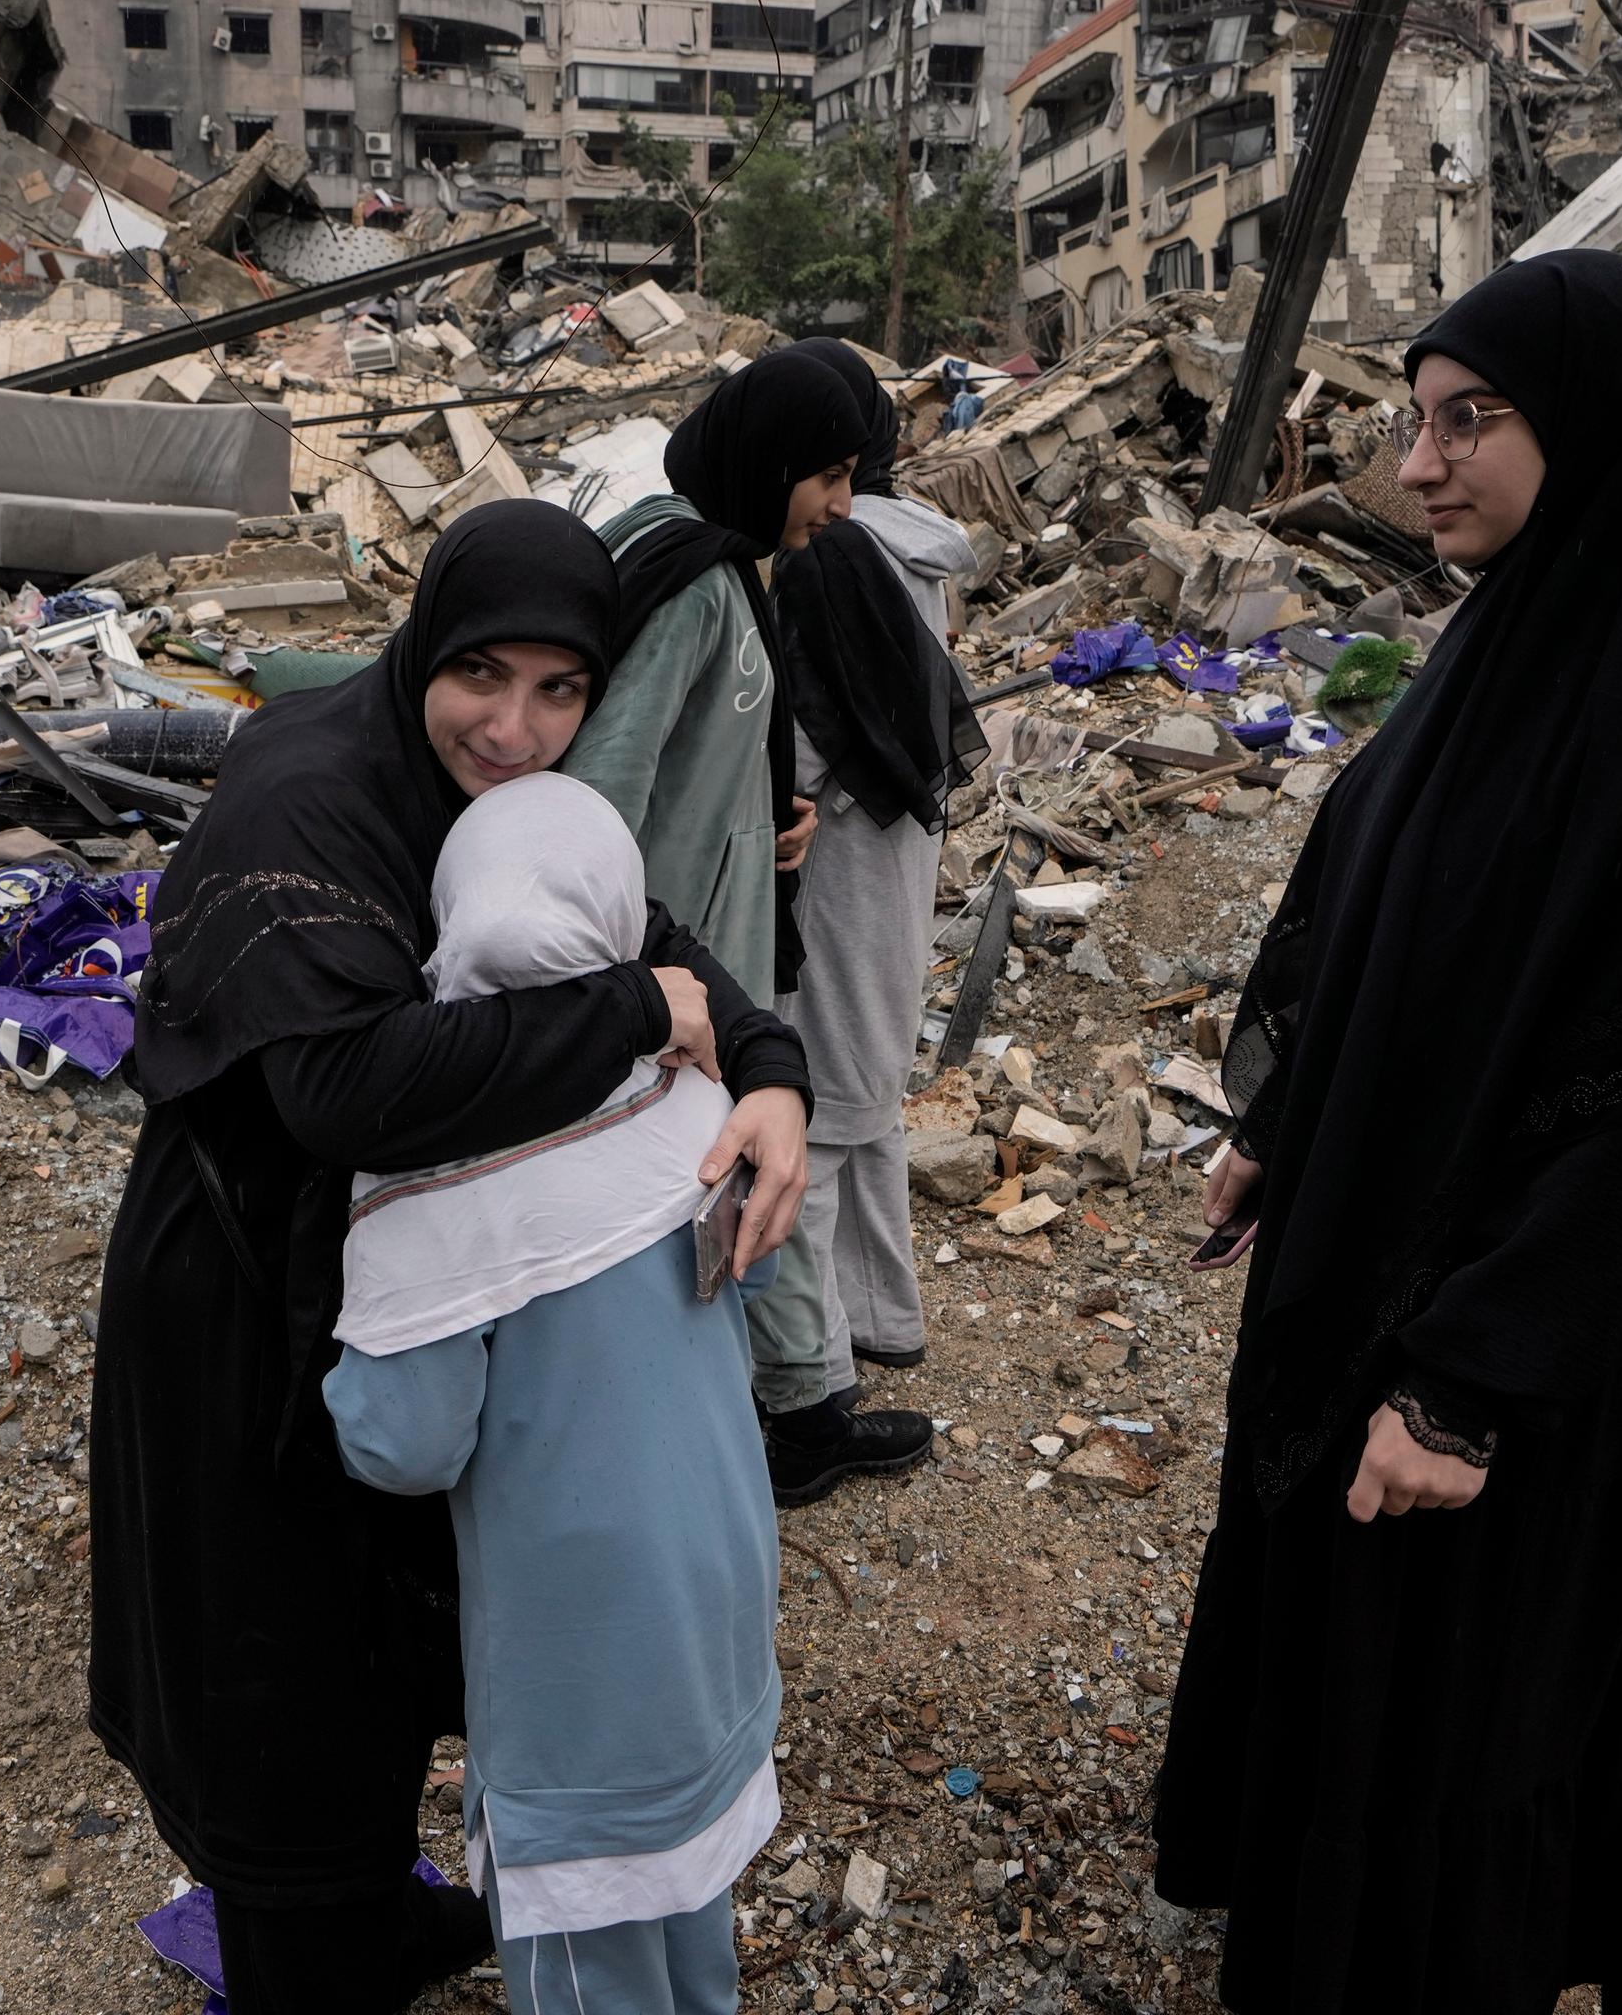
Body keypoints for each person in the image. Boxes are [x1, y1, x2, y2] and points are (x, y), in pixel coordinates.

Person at [1148, 250, 1622, 2014]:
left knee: (1470, 1674)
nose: (1417, 465)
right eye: (1416, 419)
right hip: (1401, 1231)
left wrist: (1469, 1381)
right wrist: (1293, 1124)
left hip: (1536, 1328)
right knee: (1368, 1643)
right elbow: (1399, 928)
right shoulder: (1512, 652)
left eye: (1474, 420)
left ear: (1605, 434)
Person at [90, 500, 812, 2015]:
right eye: (486, 676)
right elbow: (340, 1086)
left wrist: (769, 1071)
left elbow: (643, 928)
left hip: (406, 1261)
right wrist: (638, 1018)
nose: (518, 728)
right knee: (280, 1655)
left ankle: (371, 1918)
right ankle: (311, 1960)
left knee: (398, 1614)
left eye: (564, 688)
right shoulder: (306, 799)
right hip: (249, 1284)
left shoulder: (491, 796)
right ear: (427, 644)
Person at [325, 770, 796, 2015]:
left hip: (577, 1638)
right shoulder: (692, 1098)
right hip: (721, 1567)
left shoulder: (436, 1158)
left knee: (588, 1933)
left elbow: (407, 1443)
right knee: (689, 1889)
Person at [567, 339, 938, 1506]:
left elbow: (692, 762)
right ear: (767, 459)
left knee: (741, 1165)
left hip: (712, 941)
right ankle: (779, 1422)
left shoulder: (726, 566)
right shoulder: (693, 584)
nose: (840, 503)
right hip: (672, 962)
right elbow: (609, 792)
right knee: (729, 1169)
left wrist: (760, 812)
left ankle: (802, 1410)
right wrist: (633, 969)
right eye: (824, 475)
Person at [760, 348, 986, 1432]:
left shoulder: (833, 558)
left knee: (821, 1106)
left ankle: (817, 1369)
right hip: (901, 850)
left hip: (836, 857)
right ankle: (881, 1316)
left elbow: (815, 726)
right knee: (871, 1100)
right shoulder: (918, 551)